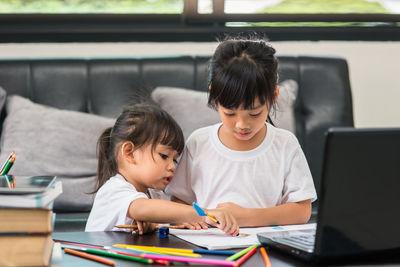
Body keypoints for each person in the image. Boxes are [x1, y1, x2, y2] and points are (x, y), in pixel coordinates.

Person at [166, 36, 317, 228]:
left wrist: (245, 217)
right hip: (208, 248)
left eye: (254, 113)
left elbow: (302, 210)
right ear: (214, 96)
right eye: (230, 113)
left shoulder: (285, 143)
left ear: (274, 96)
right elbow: (179, 200)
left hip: (265, 248)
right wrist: (185, 218)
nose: (241, 125)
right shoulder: (199, 142)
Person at [85, 103, 239, 236]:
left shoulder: (154, 193)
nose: (172, 166)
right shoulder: (113, 190)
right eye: (164, 156)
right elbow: (142, 208)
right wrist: (204, 214)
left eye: (175, 159)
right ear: (129, 153)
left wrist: (159, 225)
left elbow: (154, 215)